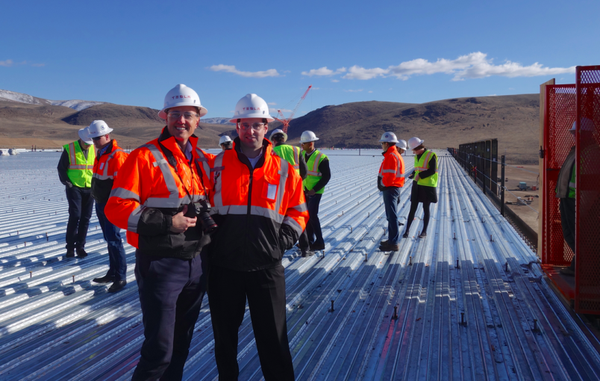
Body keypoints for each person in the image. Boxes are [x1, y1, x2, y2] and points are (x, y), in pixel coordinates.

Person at [105, 84, 214, 380]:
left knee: (180, 347)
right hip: (161, 264)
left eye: (188, 115)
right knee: (159, 350)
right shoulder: (143, 157)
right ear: (164, 117)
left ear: (197, 120)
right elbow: (116, 208)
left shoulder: (203, 159)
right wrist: (168, 223)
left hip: (197, 263)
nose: (181, 120)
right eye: (175, 114)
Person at [207, 93, 308, 381]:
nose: (250, 131)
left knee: (274, 341)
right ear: (236, 126)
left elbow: (298, 211)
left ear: (266, 128)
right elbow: (202, 204)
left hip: (267, 267)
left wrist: (283, 241)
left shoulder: (285, 169)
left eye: (257, 125)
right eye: (244, 125)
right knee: (224, 341)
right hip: (224, 268)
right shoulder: (216, 165)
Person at [87, 120, 129, 293]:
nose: (95, 141)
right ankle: (112, 272)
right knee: (109, 239)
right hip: (101, 202)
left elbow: (123, 184)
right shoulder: (101, 154)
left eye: (98, 138)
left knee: (114, 239)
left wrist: (116, 204)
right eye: (94, 138)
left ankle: (120, 277)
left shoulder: (116, 155)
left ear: (107, 136)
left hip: (111, 204)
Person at [57, 127, 95, 258]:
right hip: (74, 187)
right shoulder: (70, 148)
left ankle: (80, 247)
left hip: (90, 187)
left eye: (90, 144)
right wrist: (67, 183)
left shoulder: (94, 149)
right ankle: (70, 248)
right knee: (75, 215)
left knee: (86, 218)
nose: (88, 146)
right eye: (86, 143)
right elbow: (61, 168)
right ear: (81, 139)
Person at [298, 130, 331, 256]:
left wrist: (314, 190)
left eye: (304, 143)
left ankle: (320, 241)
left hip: (315, 192)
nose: (302, 146)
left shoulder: (321, 158)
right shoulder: (302, 155)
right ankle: (309, 241)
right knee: (307, 216)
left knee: (312, 215)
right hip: (304, 190)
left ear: (311, 143)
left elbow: (326, 176)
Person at [402, 137, 438, 239]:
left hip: (427, 186)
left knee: (426, 208)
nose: (413, 152)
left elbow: (432, 170)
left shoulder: (431, 155)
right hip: (417, 184)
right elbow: (418, 168)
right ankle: (407, 230)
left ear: (418, 148)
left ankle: (424, 231)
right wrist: (413, 174)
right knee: (412, 207)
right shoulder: (417, 156)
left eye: (413, 150)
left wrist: (420, 176)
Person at [377, 132, 405, 252]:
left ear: (387, 143)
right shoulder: (394, 154)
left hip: (390, 189)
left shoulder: (391, 156)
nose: (381, 145)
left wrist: (382, 185)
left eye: (382, 143)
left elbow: (389, 176)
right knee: (391, 215)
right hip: (393, 188)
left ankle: (393, 242)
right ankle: (392, 240)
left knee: (392, 216)